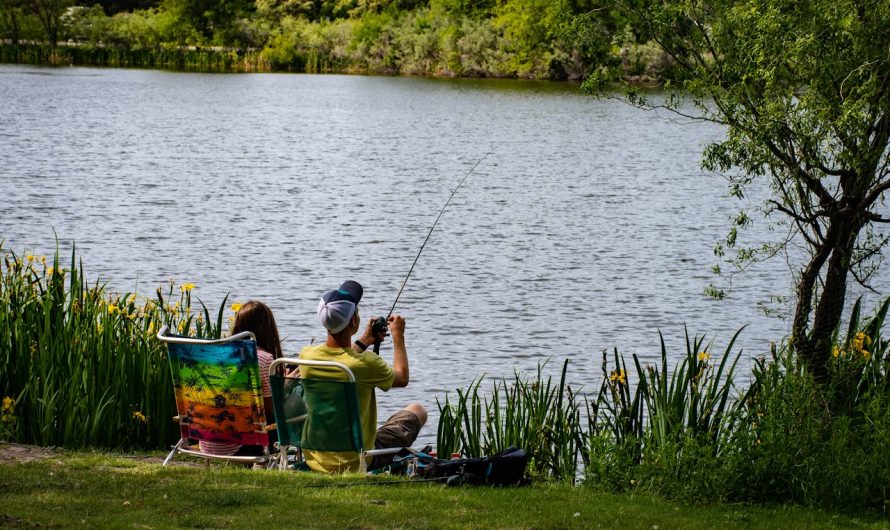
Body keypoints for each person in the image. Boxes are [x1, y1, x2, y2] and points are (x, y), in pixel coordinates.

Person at [298, 280, 427, 473]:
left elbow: (344, 360)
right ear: (353, 321)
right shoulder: (366, 363)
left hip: (316, 457)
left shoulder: (307, 356)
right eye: (357, 310)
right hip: (356, 459)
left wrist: (365, 341)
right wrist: (398, 336)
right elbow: (402, 377)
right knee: (417, 410)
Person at [199, 300, 282, 457]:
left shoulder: (216, 355)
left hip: (208, 441)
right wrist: (284, 386)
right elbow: (271, 409)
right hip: (243, 445)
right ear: (267, 329)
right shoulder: (263, 359)